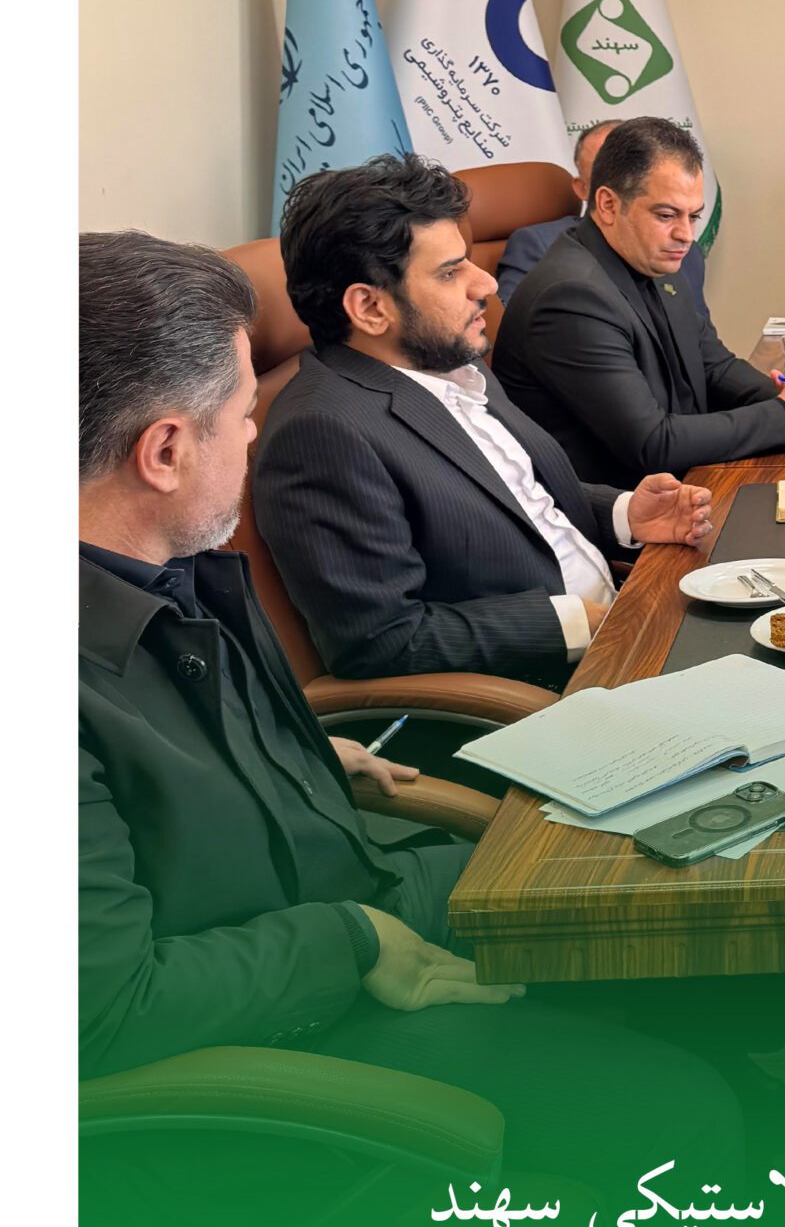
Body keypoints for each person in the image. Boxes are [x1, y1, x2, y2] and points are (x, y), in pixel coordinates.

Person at [79, 231, 741, 1178]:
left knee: (662, 874)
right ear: (165, 451)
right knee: (681, 1119)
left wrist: (298, 752)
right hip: (283, 1032)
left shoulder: (171, 571)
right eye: (241, 414)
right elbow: (102, 1012)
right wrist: (349, 944)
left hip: (344, 883)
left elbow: (163, 774)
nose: (256, 433)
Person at [253, 153, 718, 689]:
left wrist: (625, 515)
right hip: (557, 682)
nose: (486, 285)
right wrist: (575, 623)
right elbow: (380, 639)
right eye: (451, 272)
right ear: (370, 308)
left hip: (624, 621)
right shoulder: (322, 434)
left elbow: (509, 496)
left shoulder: (450, 363)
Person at [494, 116, 785, 489]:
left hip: (684, 484)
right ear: (608, 204)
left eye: (693, 216)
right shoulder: (571, 297)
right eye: (666, 215)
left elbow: (713, 366)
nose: (685, 235)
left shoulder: (655, 259)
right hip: (618, 510)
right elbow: (652, 444)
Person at [494, 121, 707, 309]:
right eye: (665, 215)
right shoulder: (539, 246)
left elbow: (698, 336)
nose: (684, 234)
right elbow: (519, 332)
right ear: (585, 189)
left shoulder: (686, 254)